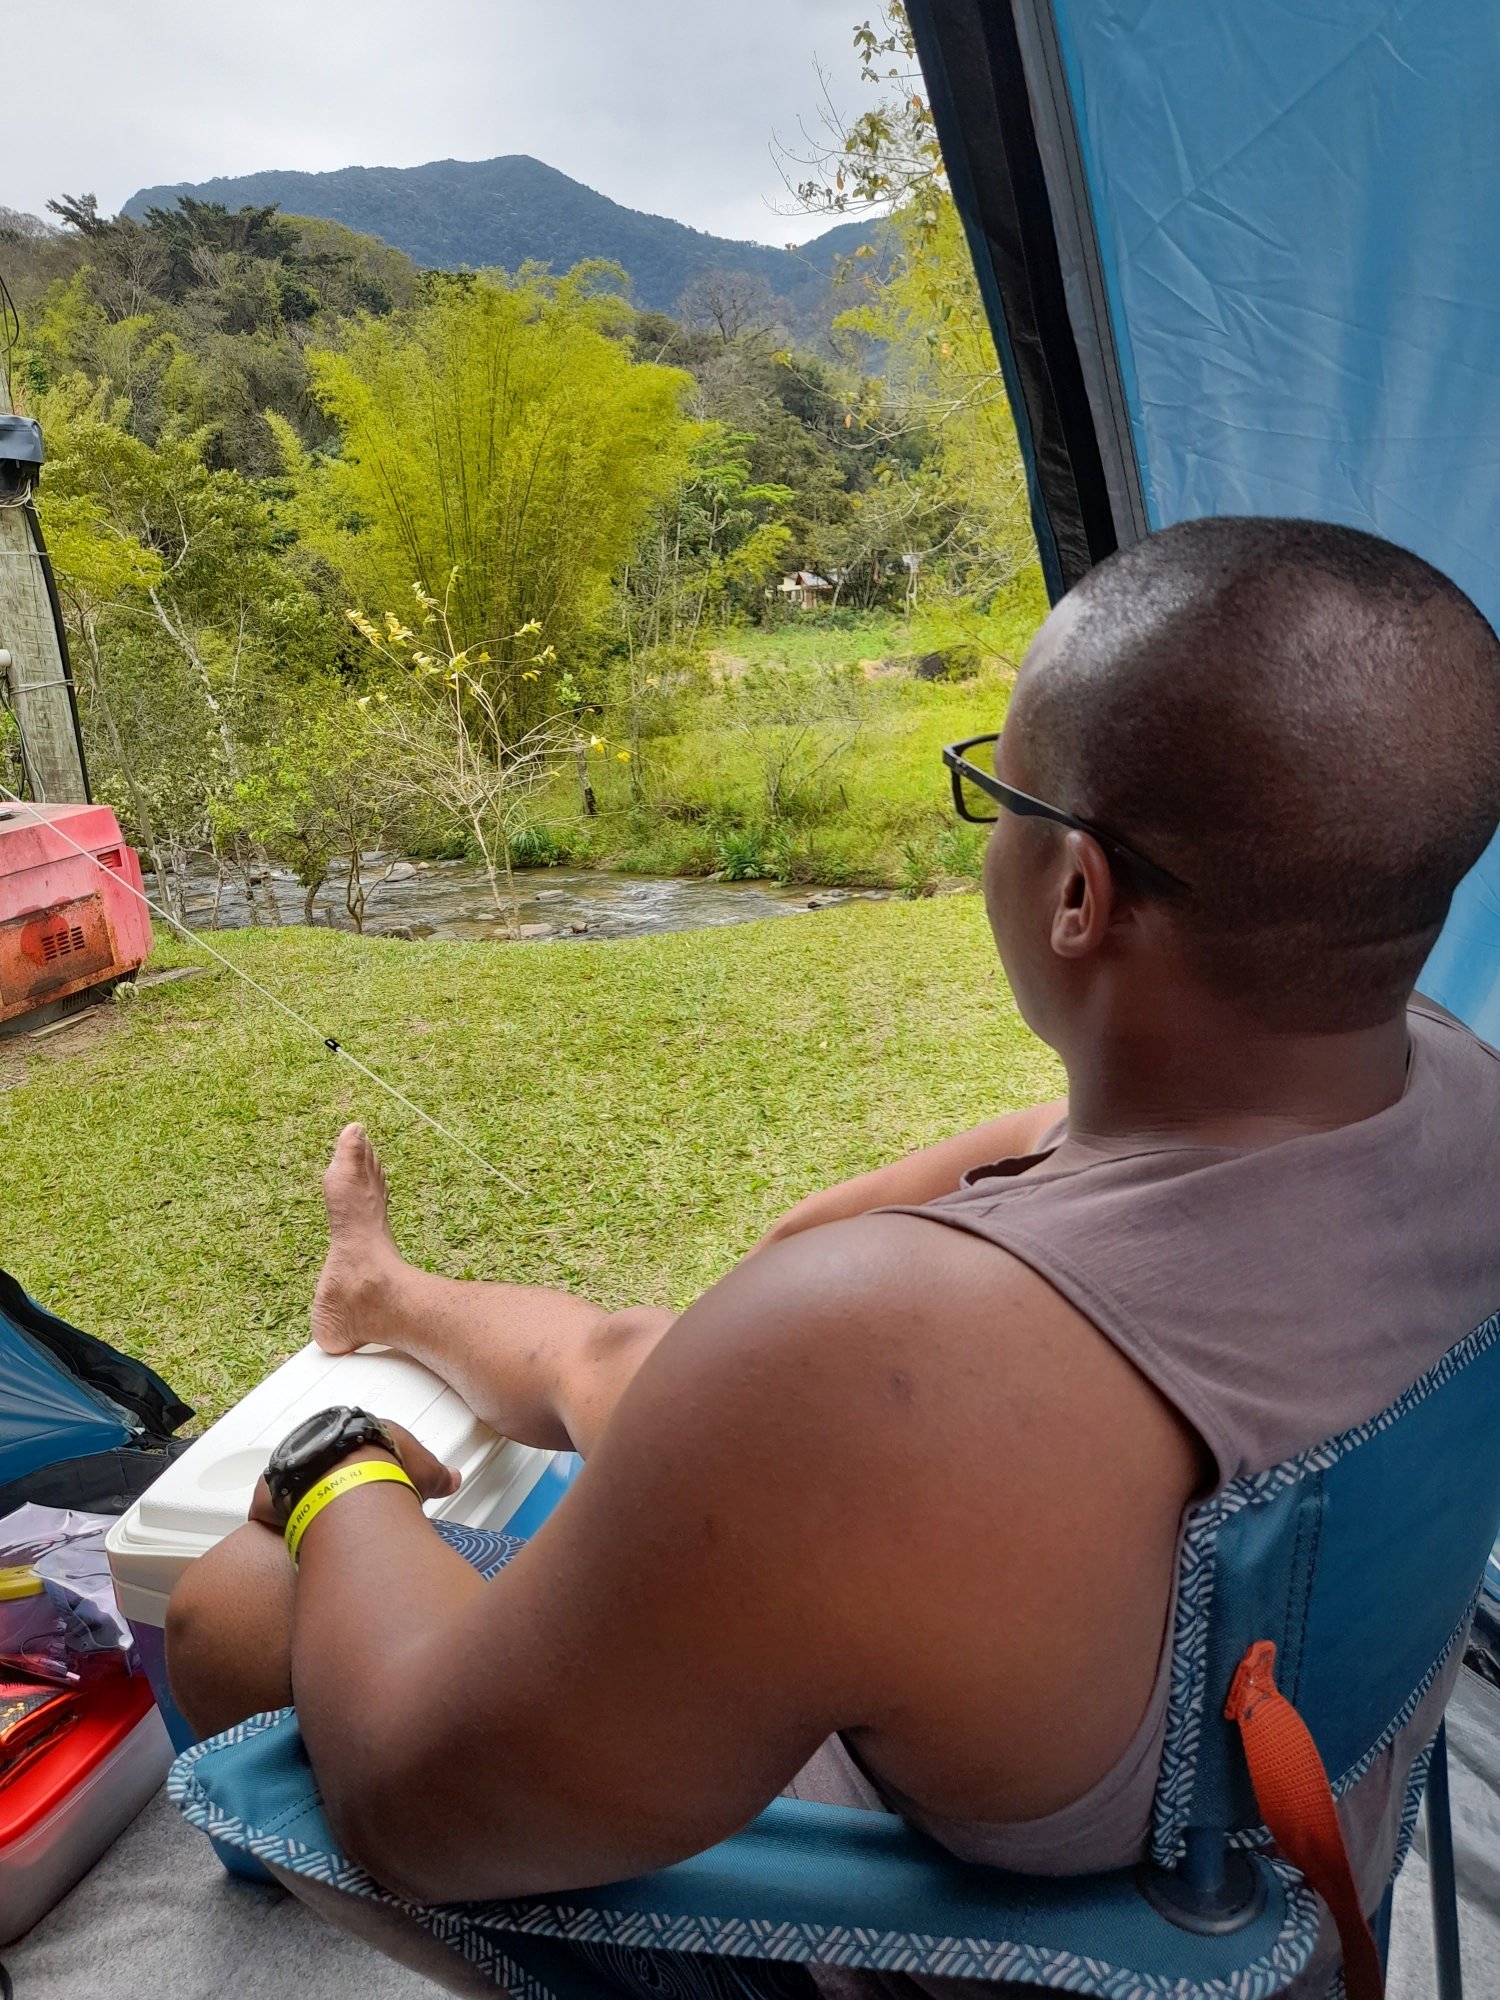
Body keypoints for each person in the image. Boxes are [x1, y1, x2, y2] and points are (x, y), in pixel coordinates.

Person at [167, 516, 1500, 2000]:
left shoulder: (871, 1369)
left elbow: (417, 1806)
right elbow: (808, 1270)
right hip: (1248, 1820)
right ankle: (385, 1296)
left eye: (994, 792)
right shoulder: (1455, 1092)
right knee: (647, 1362)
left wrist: (344, 1474)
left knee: (233, 1604)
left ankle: (342, 1429)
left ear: (1078, 891)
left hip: (940, 1945)